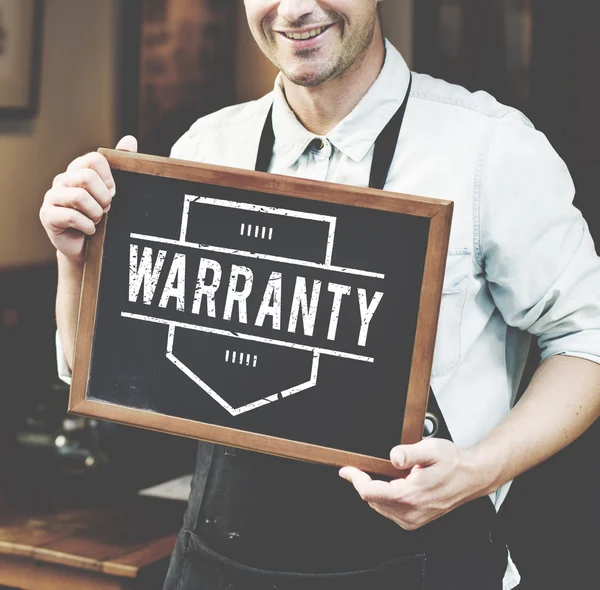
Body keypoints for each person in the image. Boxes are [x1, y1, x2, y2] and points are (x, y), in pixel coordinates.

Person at [40, 1, 600, 589]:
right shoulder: (205, 150)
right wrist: (73, 257)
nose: (297, 7)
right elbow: (96, 372)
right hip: (219, 567)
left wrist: (479, 471)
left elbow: (587, 339)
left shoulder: (490, 149)